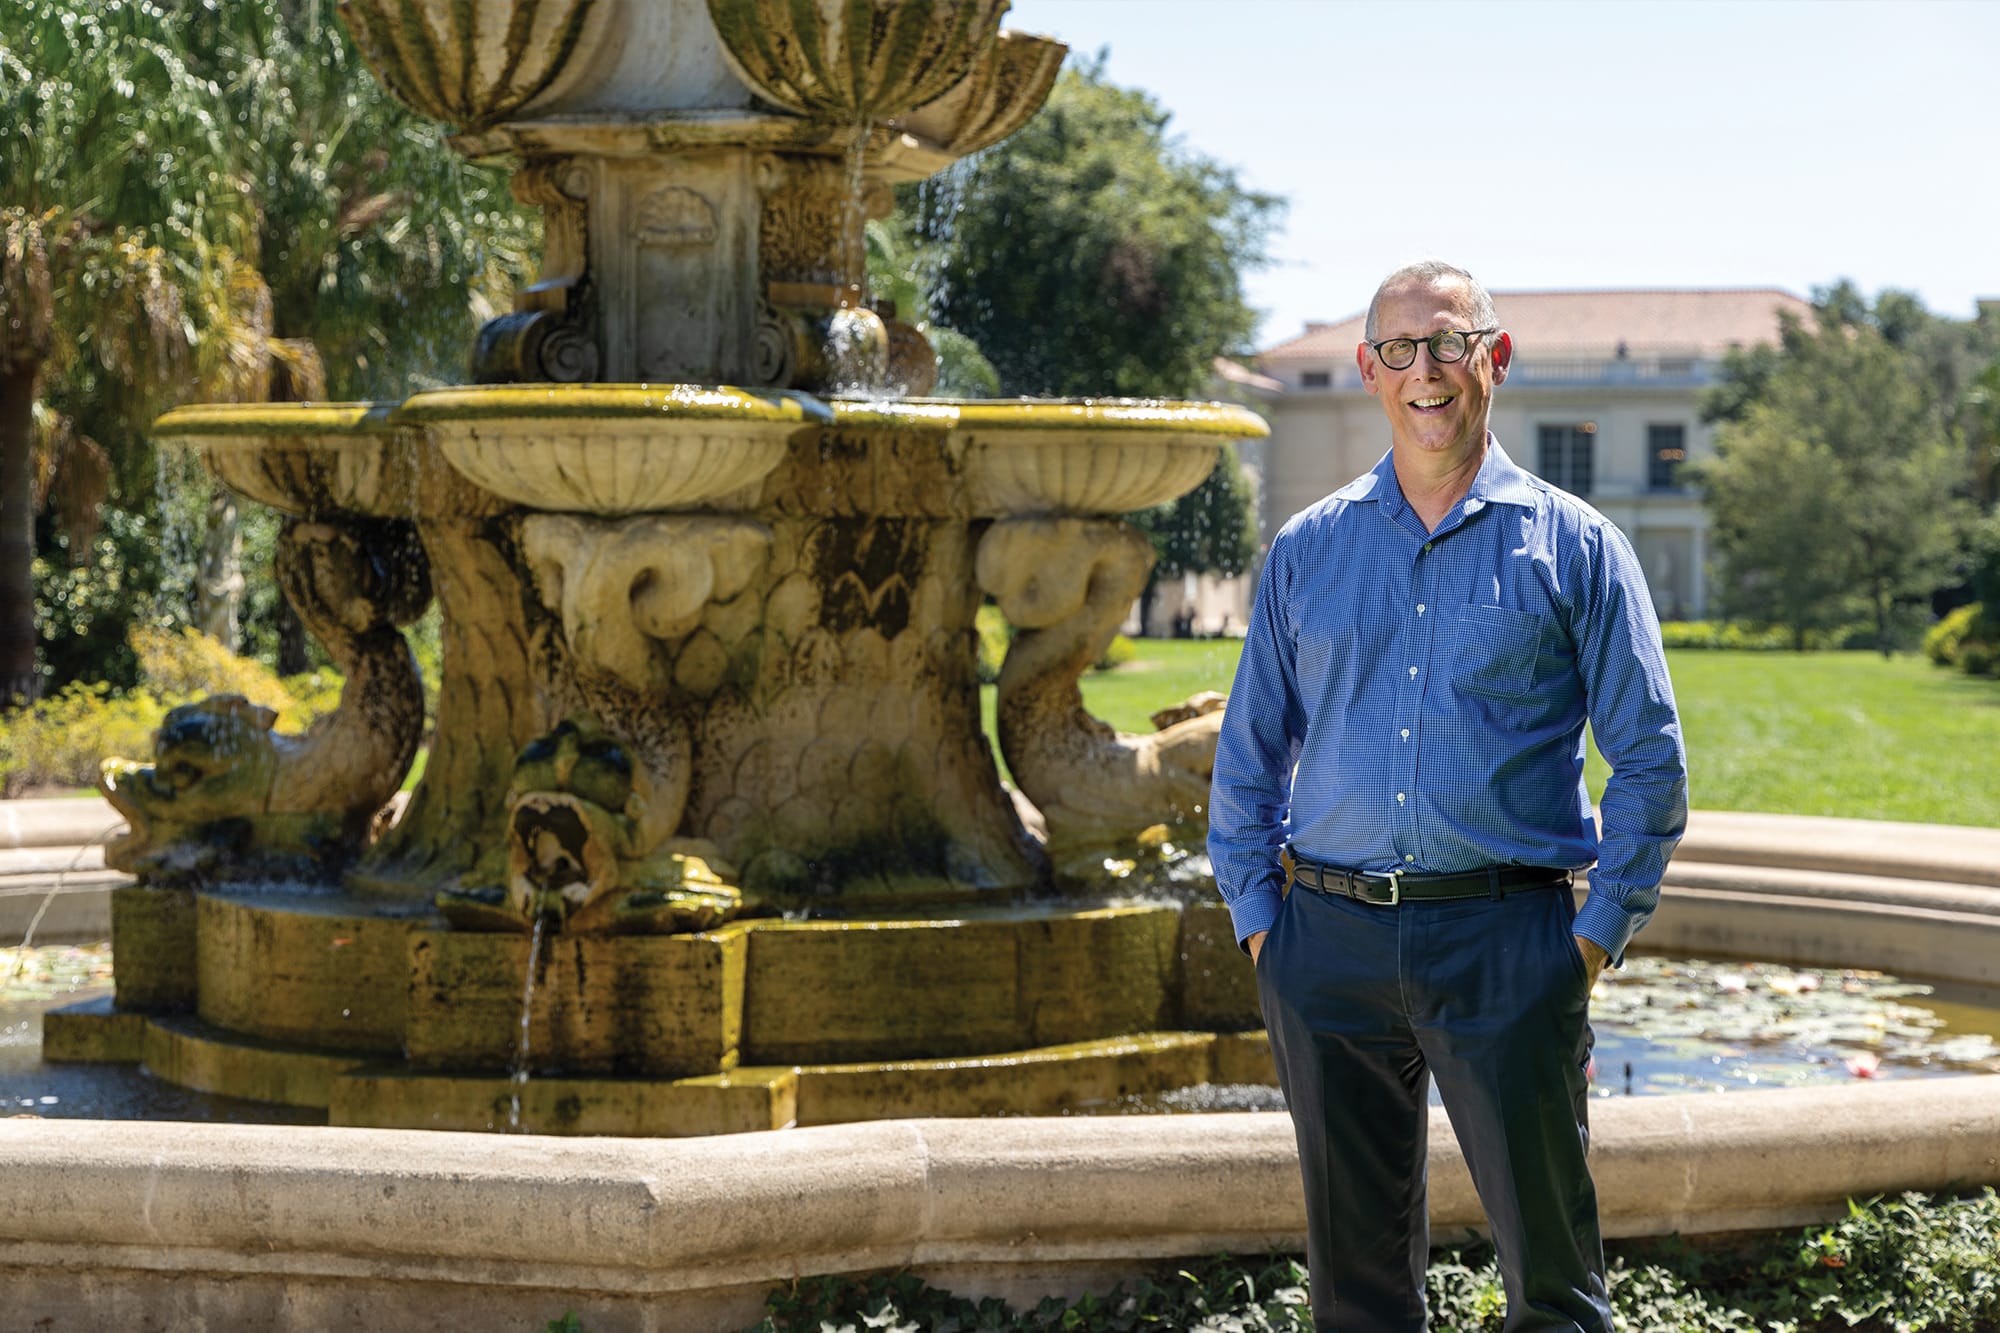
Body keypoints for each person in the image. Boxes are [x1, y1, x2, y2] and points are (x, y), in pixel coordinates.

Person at [1208, 260, 1687, 1333]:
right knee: (1356, 1300)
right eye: (1397, 350)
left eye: (1446, 344)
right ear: (1368, 371)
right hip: (1323, 947)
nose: (1422, 370)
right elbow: (1247, 759)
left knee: (1554, 1296)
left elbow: (1649, 766)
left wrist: (1584, 946)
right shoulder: (1306, 550)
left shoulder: (1578, 549)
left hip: (1507, 944)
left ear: (1491, 360)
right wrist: (1263, 936)